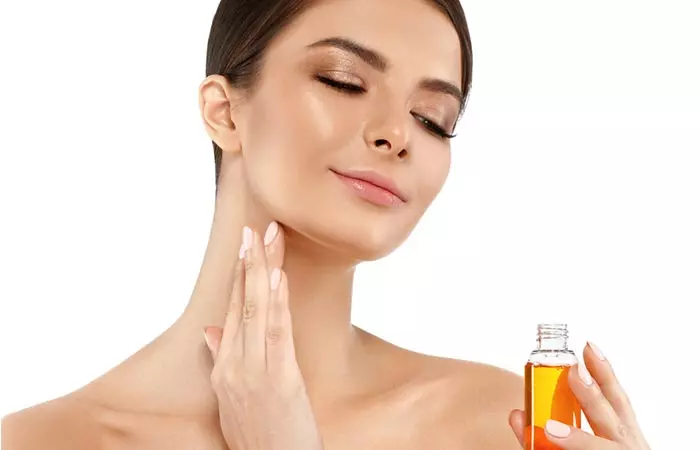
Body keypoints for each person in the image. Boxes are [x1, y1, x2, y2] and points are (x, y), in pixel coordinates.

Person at [1, 0, 652, 449]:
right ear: (225, 112)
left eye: (433, 118)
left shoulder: (502, 423)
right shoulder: (47, 441)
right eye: (343, 80)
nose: (398, 135)